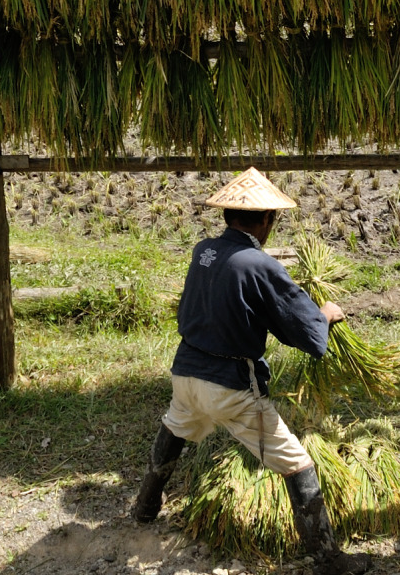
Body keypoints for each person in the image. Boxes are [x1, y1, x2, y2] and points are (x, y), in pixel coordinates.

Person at [129, 168, 372, 575]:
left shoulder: (203, 250)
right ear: (264, 221)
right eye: (271, 219)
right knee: (297, 463)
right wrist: (325, 315)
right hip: (229, 387)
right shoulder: (260, 264)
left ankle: (144, 507)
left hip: (186, 373)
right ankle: (328, 559)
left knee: (175, 426)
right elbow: (305, 329)